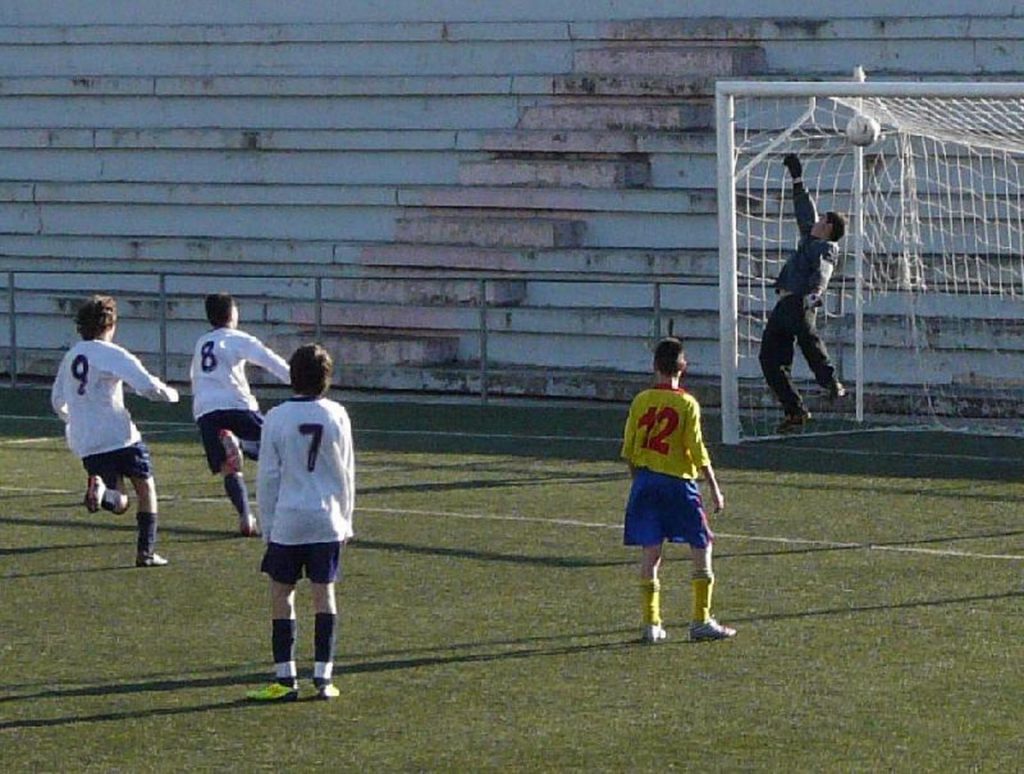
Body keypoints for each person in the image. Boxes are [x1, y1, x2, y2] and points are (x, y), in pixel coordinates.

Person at [247, 343, 355, 702]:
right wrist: (346, 520)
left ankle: (285, 678)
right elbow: (347, 473)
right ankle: (324, 677)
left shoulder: (276, 417)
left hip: (289, 521)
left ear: (291, 377)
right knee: (324, 593)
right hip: (326, 519)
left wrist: (267, 524)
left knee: (282, 592)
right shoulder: (337, 414)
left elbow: (268, 477)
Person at [50, 295, 180, 567]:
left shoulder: (71, 356)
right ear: (110, 324)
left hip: (87, 442)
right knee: (146, 489)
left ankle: (100, 490)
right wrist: (171, 395)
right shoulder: (110, 353)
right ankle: (145, 553)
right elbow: (145, 385)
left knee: (119, 501)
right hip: (119, 436)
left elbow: (57, 401)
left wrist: (75, 419)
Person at [621, 337, 733, 644]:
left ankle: (651, 624)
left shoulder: (641, 401)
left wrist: (639, 481)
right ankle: (701, 619)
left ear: (655, 367)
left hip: (645, 482)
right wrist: (714, 488)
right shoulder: (686, 404)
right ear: (682, 369)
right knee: (702, 545)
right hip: (678, 484)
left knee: (651, 550)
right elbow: (696, 450)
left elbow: (629, 450)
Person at [759, 153, 848, 434]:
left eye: (823, 219)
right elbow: (804, 210)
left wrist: (815, 293)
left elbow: (823, 271)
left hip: (798, 302)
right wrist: (797, 179)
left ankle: (831, 383)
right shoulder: (811, 238)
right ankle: (795, 410)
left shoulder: (825, 248)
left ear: (829, 228)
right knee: (769, 359)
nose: (818, 220)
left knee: (809, 342)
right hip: (785, 304)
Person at [190, 293, 290, 536]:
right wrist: (297, 380)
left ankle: (246, 517)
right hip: (236, 403)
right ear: (233, 314)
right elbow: (269, 360)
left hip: (206, 410)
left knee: (229, 468)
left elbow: (195, 376)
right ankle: (243, 444)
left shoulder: (202, 342)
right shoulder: (237, 338)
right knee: (278, 448)